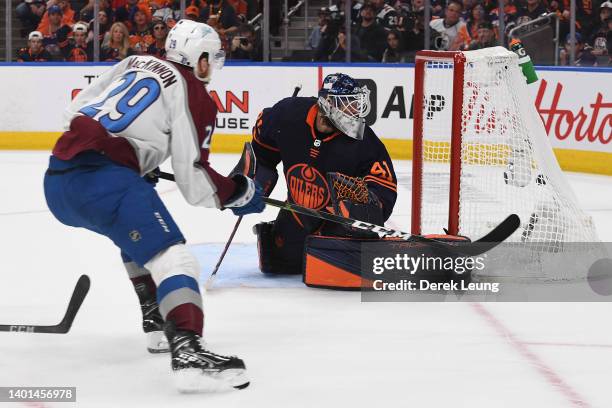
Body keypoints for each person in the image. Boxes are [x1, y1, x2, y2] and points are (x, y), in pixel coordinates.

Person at [44, 20, 263, 392]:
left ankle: (156, 322)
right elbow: (195, 180)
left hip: (58, 179)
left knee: (136, 234)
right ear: (201, 58)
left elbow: (75, 113)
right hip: (104, 180)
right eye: (212, 57)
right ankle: (189, 346)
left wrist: (136, 162)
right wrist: (237, 193)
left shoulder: (134, 61)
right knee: (176, 258)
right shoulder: (195, 94)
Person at [251, 73, 397, 275]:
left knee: (334, 272)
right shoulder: (288, 114)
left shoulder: (364, 140)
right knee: (278, 263)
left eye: (355, 104)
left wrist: (367, 208)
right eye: (347, 103)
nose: (353, 111)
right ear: (327, 103)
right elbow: (263, 148)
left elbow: (384, 184)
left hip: (338, 224)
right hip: (299, 213)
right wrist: (256, 179)